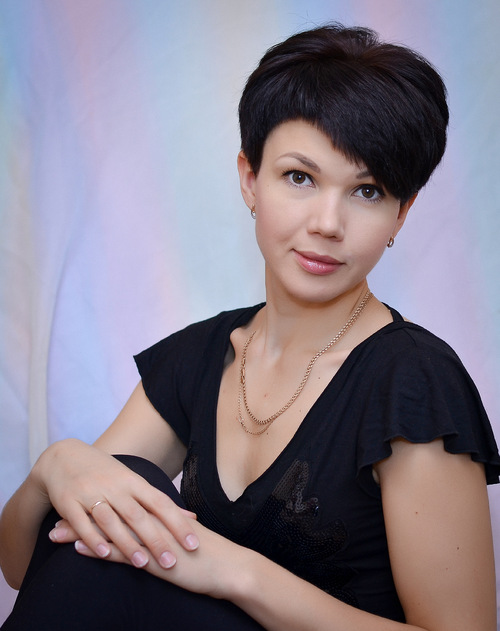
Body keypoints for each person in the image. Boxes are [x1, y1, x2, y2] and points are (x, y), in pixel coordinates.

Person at [0, 23, 499, 631]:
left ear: (402, 213)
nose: (328, 223)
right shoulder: (201, 357)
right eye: (300, 177)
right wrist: (54, 467)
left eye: (367, 191)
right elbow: (29, 568)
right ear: (249, 180)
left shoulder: (412, 380)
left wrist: (236, 571)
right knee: (115, 489)